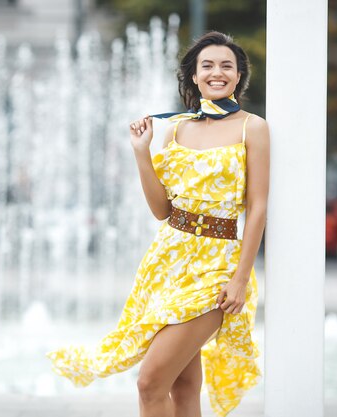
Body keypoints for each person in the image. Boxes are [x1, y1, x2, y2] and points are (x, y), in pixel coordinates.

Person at [47, 31, 270, 417]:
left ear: (238, 76)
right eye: (207, 66)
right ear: (194, 76)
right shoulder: (179, 128)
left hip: (216, 267)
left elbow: (259, 206)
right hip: (168, 260)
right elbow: (162, 209)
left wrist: (240, 277)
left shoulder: (253, 127)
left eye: (226, 66)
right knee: (183, 386)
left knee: (149, 383)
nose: (217, 72)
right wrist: (141, 153)